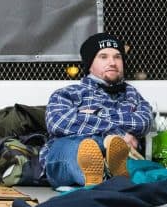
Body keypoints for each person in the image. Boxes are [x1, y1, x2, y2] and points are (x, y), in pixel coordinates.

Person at [41, 33, 154, 189]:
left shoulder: (132, 95)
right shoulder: (68, 93)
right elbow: (59, 123)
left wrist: (92, 115)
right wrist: (116, 134)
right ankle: (102, 174)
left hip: (121, 155)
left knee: (116, 149)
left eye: (117, 57)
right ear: (90, 64)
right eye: (103, 57)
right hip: (68, 153)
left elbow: (143, 122)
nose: (112, 62)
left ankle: (104, 175)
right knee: (81, 146)